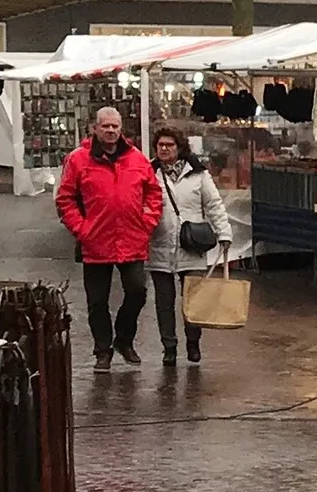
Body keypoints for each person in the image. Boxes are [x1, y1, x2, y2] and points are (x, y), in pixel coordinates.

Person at [56, 103, 159, 365]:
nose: (111, 131)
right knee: (97, 301)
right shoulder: (79, 159)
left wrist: (146, 221)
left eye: (115, 126)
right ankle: (103, 349)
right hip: (95, 242)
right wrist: (82, 229)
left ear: (121, 129)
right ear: (95, 128)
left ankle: (124, 339)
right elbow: (65, 199)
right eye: (106, 126)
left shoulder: (136, 158)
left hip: (131, 239)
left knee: (137, 291)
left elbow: (153, 193)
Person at [146, 125, 232, 369]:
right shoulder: (148, 174)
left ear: (179, 147)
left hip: (191, 245)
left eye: (169, 145)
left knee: (193, 300)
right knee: (163, 302)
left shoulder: (198, 175)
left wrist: (224, 232)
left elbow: (214, 205)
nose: (164, 149)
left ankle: (193, 343)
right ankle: (169, 348)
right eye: (160, 145)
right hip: (159, 245)